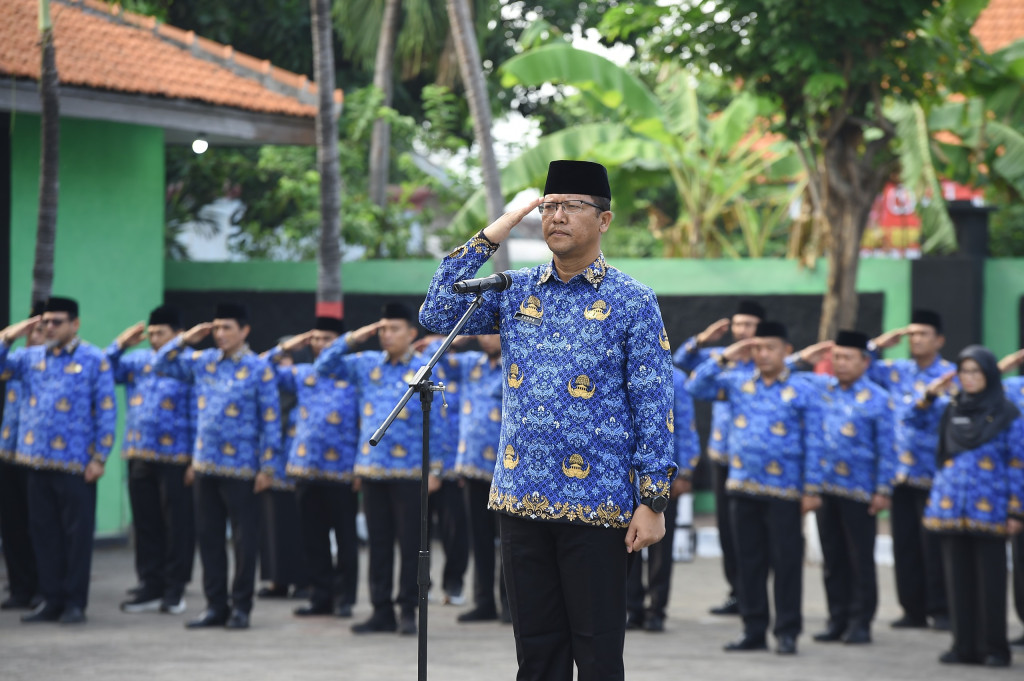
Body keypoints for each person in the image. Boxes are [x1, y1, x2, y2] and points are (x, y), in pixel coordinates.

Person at [420, 159, 677, 681]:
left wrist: (652, 502)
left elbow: (653, 404)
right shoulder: (516, 289)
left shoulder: (632, 300)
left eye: (572, 206)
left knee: (598, 656)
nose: (556, 216)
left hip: (598, 504)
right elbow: (436, 312)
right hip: (521, 496)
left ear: (604, 220)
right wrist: (503, 224)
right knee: (536, 656)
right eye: (549, 206)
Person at [687, 320, 825, 655]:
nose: (763, 354)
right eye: (758, 348)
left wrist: (812, 489)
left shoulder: (804, 388)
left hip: (785, 491)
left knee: (786, 563)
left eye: (770, 348)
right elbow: (696, 386)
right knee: (749, 562)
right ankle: (753, 629)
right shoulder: (738, 382)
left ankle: (787, 631)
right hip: (742, 487)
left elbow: (816, 441)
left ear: (787, 351)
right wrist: (726, 356)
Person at [314, 305, 444, 636]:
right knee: (379, 545)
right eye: (382, 329)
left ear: (411, 333)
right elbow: (323, 366)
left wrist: (435, 469)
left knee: (411, 546)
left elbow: (439, 423)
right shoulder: (367, 363)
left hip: (410, 472)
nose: (386, 334)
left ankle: (407, 611)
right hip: (372, 470)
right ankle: (381, 610)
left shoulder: (425, 367)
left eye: (394, 329)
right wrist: (353, 338)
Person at [154, 302, 281, 631]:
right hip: (205, 465)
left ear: (244, 331)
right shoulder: (203, 361)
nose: (220, 334)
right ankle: (215, 606)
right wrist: (185, 339)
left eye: (227, 328)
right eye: (216, 328)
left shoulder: (259, 368)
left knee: (244, 541)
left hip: (243, 468)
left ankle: (241, 607)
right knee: (209, 539)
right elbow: (161, 363)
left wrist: (268, 467)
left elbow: (271, 420)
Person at [0, 297, 117, 624]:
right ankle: (51, 600)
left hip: (76, 465)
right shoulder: (30, 358)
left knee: (75, 538)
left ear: (75, 324)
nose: (49, 327)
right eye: (45, 322)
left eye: (57, 322)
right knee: (43, 535)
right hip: (36, 463)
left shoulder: (94, 359)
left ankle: (74, 602)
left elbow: (106, 410)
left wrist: (100, 457)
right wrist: (8, 336)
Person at [912, 346, 1024, 667]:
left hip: (990, 509)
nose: (969, 378)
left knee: (990, 582)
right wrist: (930, 394)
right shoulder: (951, 408)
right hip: (951, 507)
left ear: (989, 375)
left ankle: (994, 648)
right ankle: (963, 646)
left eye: (976, 371)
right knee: (957, 579)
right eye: (964, 371)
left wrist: (1016, 510)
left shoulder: (1008, 413)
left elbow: (1017, 463)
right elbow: (912, 421)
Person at [672, 300, 765, 616]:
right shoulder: (720, 357)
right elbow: (681, 363)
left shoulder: (766, 362)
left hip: (753, 461)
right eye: (738, 325)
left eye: (749, 325)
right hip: (722, 456)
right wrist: (703, 340)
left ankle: (755, 595)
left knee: (754, 532)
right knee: (727, 528)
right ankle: (736, 593)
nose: (742, 331)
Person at [267, 317, 360, 618]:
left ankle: (345, 598)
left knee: (345, 539)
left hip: (343, 470)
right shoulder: (302, 373)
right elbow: (260, 370)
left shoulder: (355, 373)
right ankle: (320, 597)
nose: (320, 344)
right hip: (305, 469)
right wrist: (286, 347)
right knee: (312, 538)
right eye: (316, 339)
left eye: (327, 339)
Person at [107, 305, 195, 615]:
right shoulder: (138, 360)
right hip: (139, 453)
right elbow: (102, 370)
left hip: (177, 456)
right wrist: (120, 344)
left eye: (161, 333)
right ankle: (150, 584)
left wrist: (195, 459)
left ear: (178, 335)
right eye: (152, 333)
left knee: (177, 525)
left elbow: (200, 410)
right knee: (146, 524)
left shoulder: (190, 364)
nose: (154, 339)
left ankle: (174, 589)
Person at [869, 310, 954, 630]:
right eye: (912, 334)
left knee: (934, 545)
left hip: (935, 473)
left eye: (923, 334)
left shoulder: (951, 375)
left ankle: (941, 609)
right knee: (904, 545)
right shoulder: (896, 370)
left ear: (939, 340)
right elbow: (859, 364)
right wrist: (878, 345)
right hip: (899, 473)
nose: (916, 340)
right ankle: (912, 609)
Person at [809, 331, 895, 646]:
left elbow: (888, 449)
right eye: (837, 357)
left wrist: (883, 489)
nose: (841, 363)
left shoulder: (879, 398)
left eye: (848, 358)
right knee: (832, 557)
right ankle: (837, 619)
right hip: (824, 487)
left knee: (859, 559)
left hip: (860, 491)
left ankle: (861, 622)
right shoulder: (823, 390)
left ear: (865, 362)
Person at [626, 365, 701, 632]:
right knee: (627, 543)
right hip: (625, 476)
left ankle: (656, 609)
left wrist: (685, 472)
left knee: (661, 546)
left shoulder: (676, 377)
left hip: (664, 475)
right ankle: (632, 607)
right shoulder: (620, 368)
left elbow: (686, 427)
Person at [447, 333, 509, 623]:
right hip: (472, 467)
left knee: (509, 541)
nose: (485, 338)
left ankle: (510, 604)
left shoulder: (517, 361)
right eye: (482, 333)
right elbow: (431, 360)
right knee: (480, 539)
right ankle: (484, 602)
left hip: (506, 469)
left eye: (491, 332)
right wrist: (457, 340)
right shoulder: (471, 363)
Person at [0, 300, 46, 611]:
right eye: (31, 332)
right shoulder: (15, 360)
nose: (35, 337)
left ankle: (44, 587)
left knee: (39, 525)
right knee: (13, 525)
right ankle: (20, 588)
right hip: (9, 453)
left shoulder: (54, 365)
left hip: (38, 456)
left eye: (41, 331)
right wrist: (8, 336)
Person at [999, 348, 1024, 646]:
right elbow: (977, 386)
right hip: (1020, 491)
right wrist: (1005, 366)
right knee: (1021, 562)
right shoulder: (1014, 388)